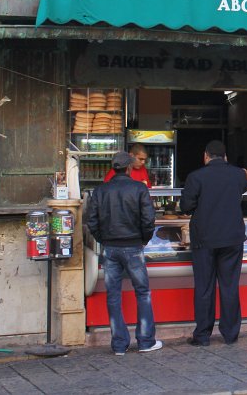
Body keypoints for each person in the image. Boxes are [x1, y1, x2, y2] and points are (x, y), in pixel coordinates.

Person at [85, 151, 162, 355]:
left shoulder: (100, 191)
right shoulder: (139, 188)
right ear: (129, 167)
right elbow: (148, 220)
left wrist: (103, 239)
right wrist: (143, 240)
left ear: (114, 168)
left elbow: (91, 221)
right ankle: (145, 341)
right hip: (134, 247)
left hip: (110, 248)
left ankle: (119, 344)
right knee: (143, 292)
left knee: (113, 295)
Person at [180, 140, 247, 346]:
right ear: (226, 157)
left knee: (204, 288)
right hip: (233, 239)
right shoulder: (238, 174)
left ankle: (202, 336)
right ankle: (230, 334)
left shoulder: (196, 177)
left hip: (205, 240)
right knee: (229, 287)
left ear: (206, 156)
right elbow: (245, 185)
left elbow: (186, 206)